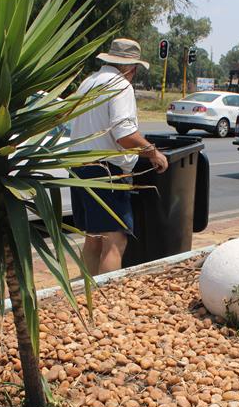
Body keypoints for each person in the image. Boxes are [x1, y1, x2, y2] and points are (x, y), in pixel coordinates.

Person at [69, 38, 168, 275]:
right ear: (131, 68)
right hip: (106, 170)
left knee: (93, 239)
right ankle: (106, 298)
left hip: (78, 166)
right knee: (115, 241)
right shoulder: (121, 85)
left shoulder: (88, 82)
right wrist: (153, 152)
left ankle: (88, 296)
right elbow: (124, 135)